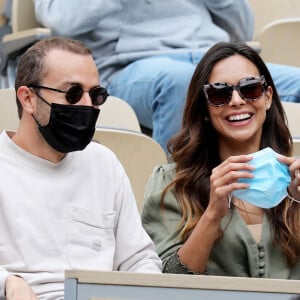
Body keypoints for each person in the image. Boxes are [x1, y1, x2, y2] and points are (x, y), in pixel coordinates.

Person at [0, 37, 161, 300]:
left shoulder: (104, 163)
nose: (88, 106)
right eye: (73, 93)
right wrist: (9, 282)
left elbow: (139, 260)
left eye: (96, 95)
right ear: (28, 99)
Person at [32, 0, 300, 152]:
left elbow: (242, 29)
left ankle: (283, 202)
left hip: (213, 58)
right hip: (133, 65)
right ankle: (178, 210)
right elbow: (62, 19)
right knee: (179, 82)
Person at [141, 42, 300, 278]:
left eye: (250, 89)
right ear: (204, 109)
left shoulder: (294, 179)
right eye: (219, 93)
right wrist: (213, 214)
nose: (236, 100)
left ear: (267, 97)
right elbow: (169, 283)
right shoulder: (171, 183)